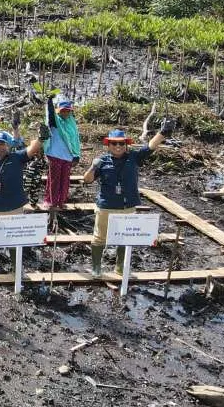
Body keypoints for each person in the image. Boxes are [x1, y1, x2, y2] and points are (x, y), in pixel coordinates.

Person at [82, 121, 173, 277]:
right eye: (114, 144)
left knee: (124, 237)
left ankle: (120, 268)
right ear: (108, 145)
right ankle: (97, 268)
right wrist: (93, 166)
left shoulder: (134, 157)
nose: (118, 147)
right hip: (106, 206)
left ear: (126, 144)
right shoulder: (102, 161)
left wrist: (163, 132)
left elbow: (150, 147)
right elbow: (87, 180)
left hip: (127, 206)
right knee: (99, 238)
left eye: (121, 144)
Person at [0, 125, 45, 280]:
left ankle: (18, 270)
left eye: (2, 144)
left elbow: (32, 149)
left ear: (7, 145)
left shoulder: (17, 157)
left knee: (15, 240)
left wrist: (41, 138)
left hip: (15, 207)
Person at [43, 98, 81, 213]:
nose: (65, 113)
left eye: (67, 111)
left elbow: (75, 140)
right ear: (58, 111)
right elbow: (50, 114)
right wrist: (49, 100)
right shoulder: (55, 121)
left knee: (65, 181)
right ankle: (50, 201)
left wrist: (76, 155)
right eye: (63, 110)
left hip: (68, 157)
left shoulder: (71, 123)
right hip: (55, 155)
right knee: (54, 180)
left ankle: (61, 201)